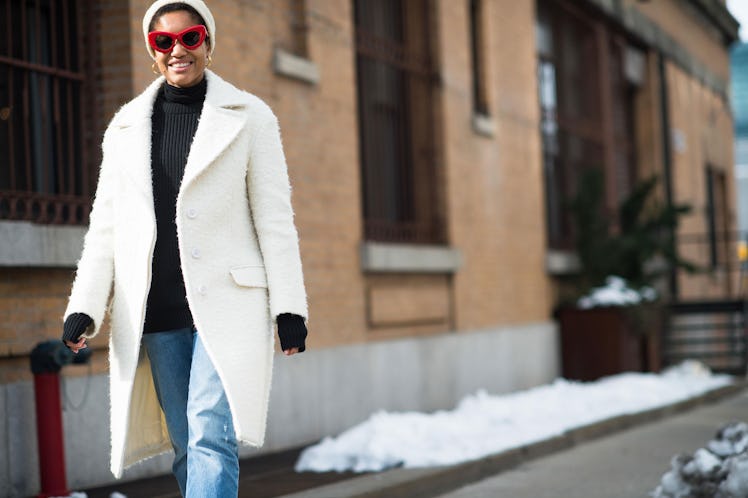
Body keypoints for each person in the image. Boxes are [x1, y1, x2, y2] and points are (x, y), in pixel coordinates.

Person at [61, 0, 308, 495]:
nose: (178, 49)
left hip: (229, 308)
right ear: (152, 52)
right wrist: (84, 307)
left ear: (208, 45)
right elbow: (105, 228)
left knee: (210, 434)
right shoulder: (125, 128)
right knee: (185, 442)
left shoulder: (249, 117)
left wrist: (288, 308)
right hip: (156, 313)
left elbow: (275, 221)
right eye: (163, 41)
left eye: (190, 37)